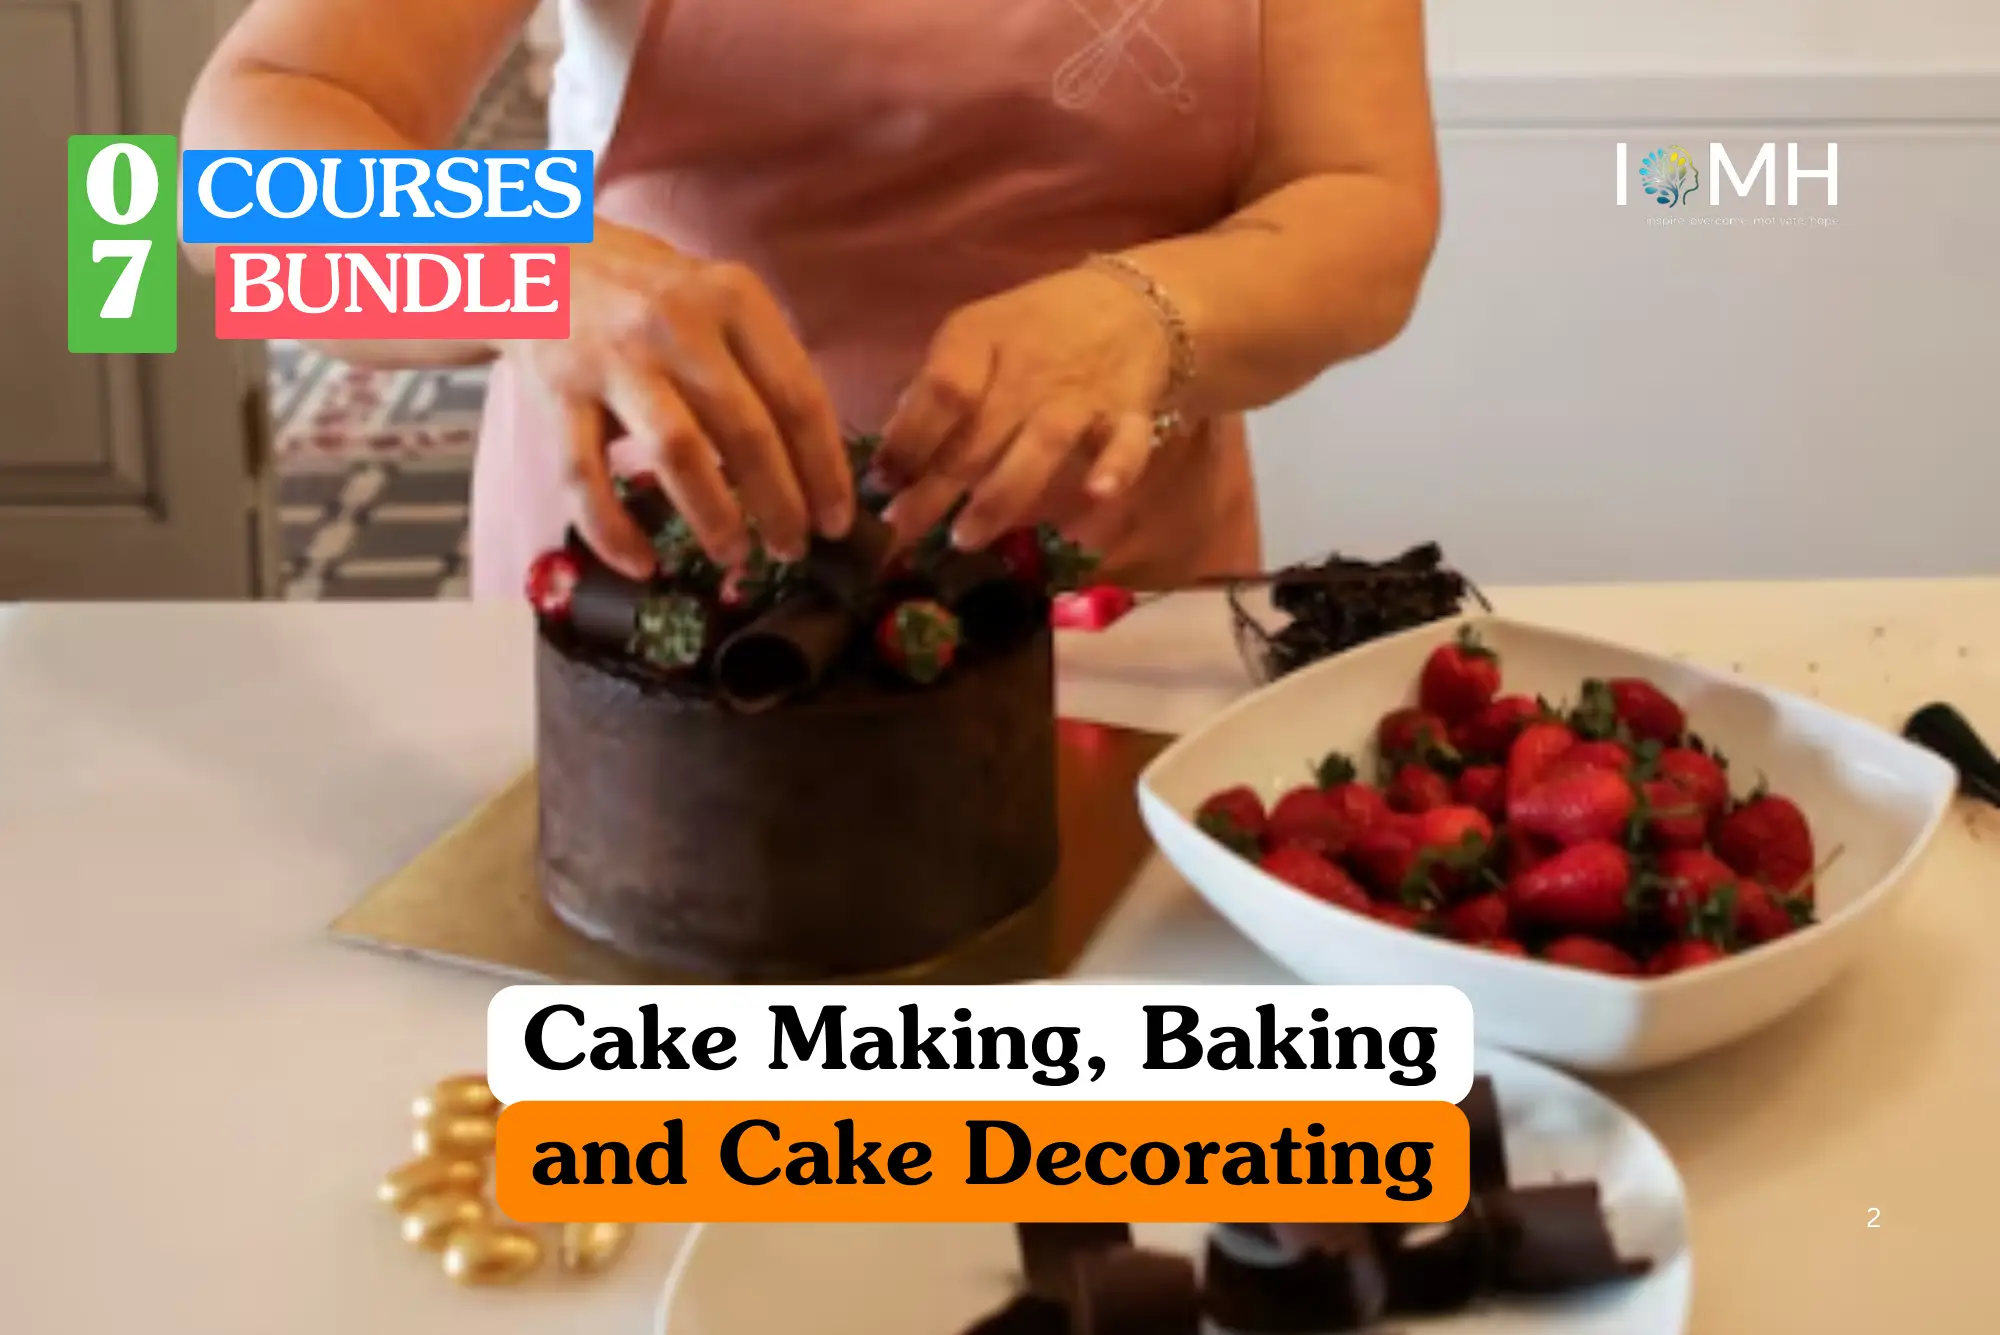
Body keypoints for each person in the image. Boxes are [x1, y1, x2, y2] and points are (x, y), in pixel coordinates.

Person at [184, 0, 1439, 595]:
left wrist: (1149, 311)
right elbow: (213, 193)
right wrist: (530, 265)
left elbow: (1365, 201)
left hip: (1110, 603)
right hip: (649, 593)